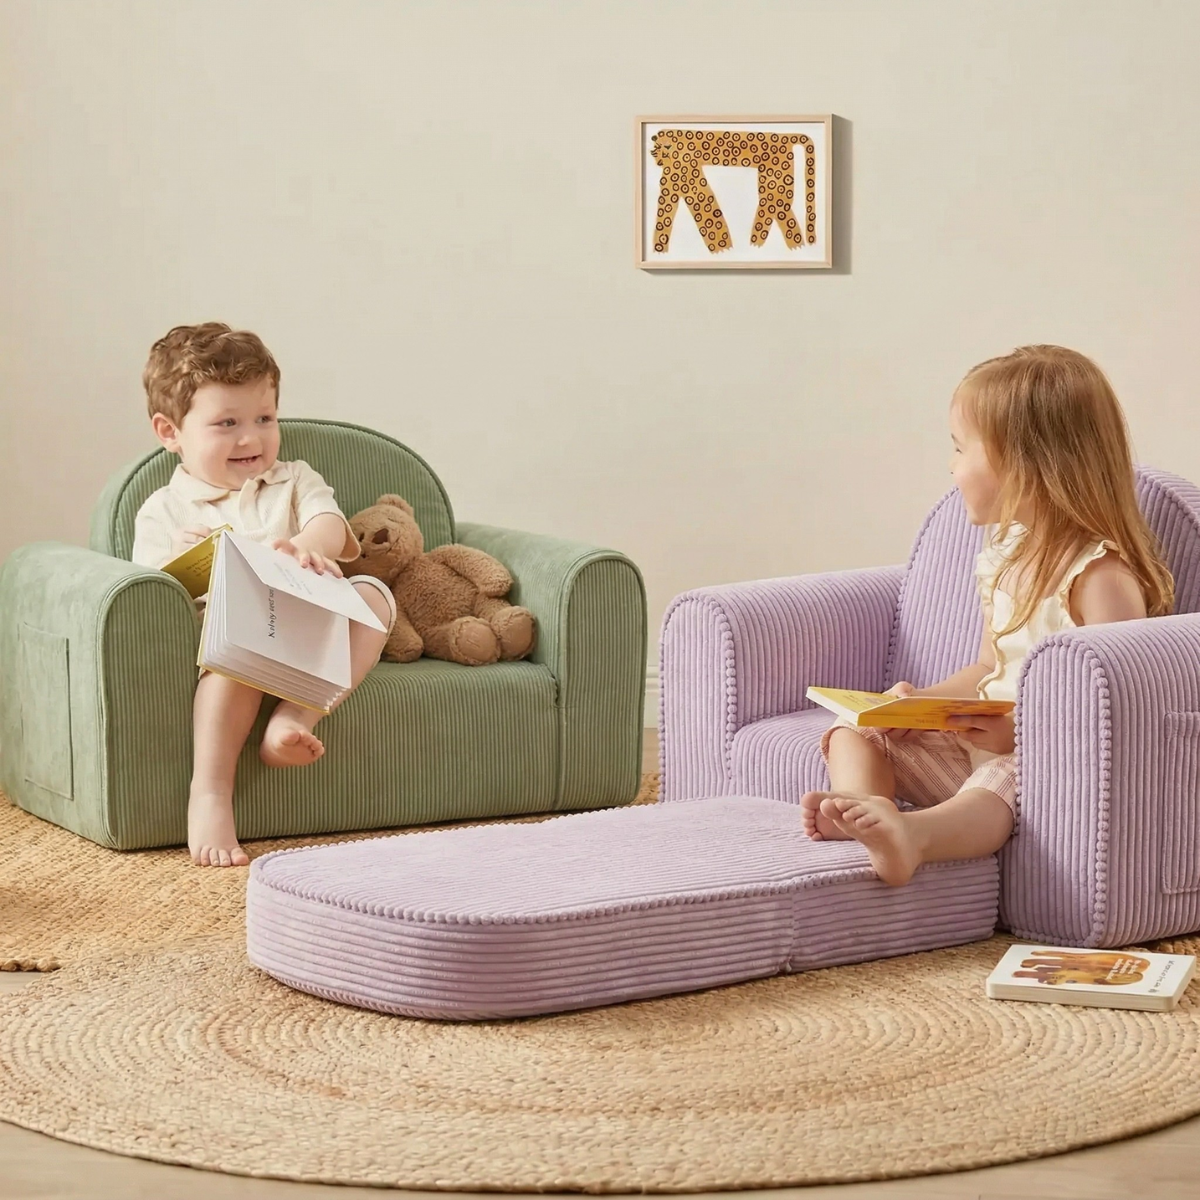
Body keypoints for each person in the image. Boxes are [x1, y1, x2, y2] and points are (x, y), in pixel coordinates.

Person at [800, 345, 1174, 885]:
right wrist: (917, 705)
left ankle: (914, 836)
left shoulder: (1100, 578)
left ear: (1025, 463)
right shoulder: (1008, 556)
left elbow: (1118, 709)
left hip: (1042, 766)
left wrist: (1020, 733)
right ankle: (863, 810)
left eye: (960, 448)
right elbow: (986, 669)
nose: (951, 466)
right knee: (855, 729)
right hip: (974, 747)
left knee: (999, 781)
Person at [131, 323, 395, 868]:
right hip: (235, 643)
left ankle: (296, 717)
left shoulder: (293, 479)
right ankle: (210, 794)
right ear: (170, 431)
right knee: (231, 668)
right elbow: (149, 597)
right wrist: (181, 563)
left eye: (264, 419)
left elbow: (330, 522)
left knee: (375, 596)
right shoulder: (165, 510)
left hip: (309, 622)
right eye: (227, 423)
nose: (250, 439)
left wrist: (307, 546)